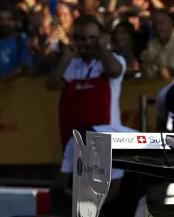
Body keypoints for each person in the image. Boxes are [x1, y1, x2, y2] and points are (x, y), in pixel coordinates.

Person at [46, 14, 127, 148]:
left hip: (106, 137)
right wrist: (66, 58)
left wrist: (103, 48)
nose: (87, 43)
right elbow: (51, 84)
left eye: (92, 38)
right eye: (81, 39)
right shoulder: (71, 64)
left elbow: (114, 71)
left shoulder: (112, 60)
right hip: (76, 139)